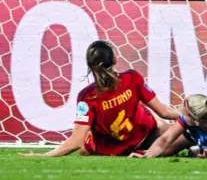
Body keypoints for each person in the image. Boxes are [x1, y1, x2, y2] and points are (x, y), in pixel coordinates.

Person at [21, 40, 179, 157]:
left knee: (85, 148)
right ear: (115, 60)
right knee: (162, 125)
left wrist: (43, 156)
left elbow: (75, 142)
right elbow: (165, 111)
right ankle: (195, 143)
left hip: (112, 150)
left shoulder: (86, 97)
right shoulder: (133, 78)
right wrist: (187, 115)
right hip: (144, 135)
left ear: (89, 66)